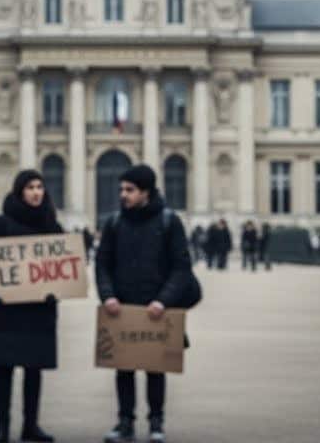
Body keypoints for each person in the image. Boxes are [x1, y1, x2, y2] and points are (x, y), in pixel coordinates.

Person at [96, 165, 194, 443]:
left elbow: (181, 267)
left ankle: (156, 421)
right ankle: (125, 422)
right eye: (121, 190)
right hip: (123, 306)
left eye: (129, 190)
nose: (123, 195)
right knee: (123, 368)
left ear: (145, 192)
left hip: (156, 307)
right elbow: (102, 265)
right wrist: (108, 296)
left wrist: (164, 300)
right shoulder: (114, 223)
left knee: (155, 369)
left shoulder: (169, 222)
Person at [0, 170, 64, 442]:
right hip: (7, 309)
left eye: (40, 187)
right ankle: (3, 427)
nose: (37, 192)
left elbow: (63, 268)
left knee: (34, 370)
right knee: (5, 369)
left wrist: (55, 290)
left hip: (38, 310)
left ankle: (30, 425)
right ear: (19, 191)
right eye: (30, 187)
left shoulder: (51, 225)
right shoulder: (1, 224)